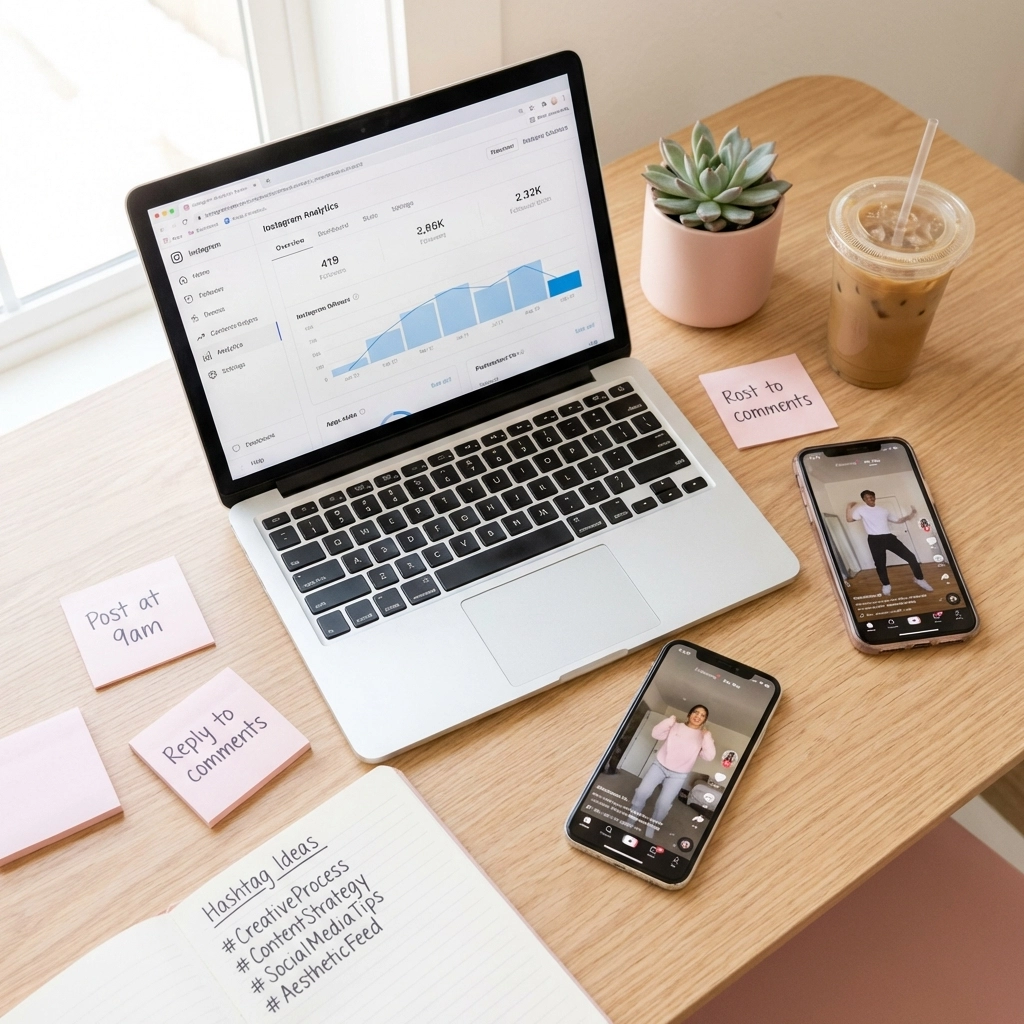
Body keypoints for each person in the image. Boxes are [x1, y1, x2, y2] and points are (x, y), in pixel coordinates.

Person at [627, 705, 716, 839]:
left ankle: (652, 825)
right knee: (642, 791)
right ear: (689, 714)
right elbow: (655, 734)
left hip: (678, 775)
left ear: (704, 720)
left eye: (702, 715)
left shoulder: (703, 737)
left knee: (663, 804)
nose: (698, 716)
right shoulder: (675, 726)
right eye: (696, 712)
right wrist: (669, 721)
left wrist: (707, 736)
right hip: (659, 766)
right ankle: (633, 816)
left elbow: (709, 756)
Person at [846, 490, 933, 596]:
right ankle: (886, 585)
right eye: (867, 497)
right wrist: (849, 506)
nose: (870, 499)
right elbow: (849, 519)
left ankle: (919, 579)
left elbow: (899, 520)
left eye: (871, 497)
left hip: (888, 538)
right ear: (864, 500)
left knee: (911, 557)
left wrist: (912, 514)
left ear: (874, 497)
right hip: (874, 540)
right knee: (880, 565)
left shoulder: (883, 510)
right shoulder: (861, 510)